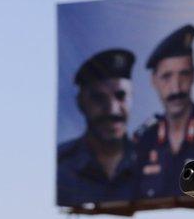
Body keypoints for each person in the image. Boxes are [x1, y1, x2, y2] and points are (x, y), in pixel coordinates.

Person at [133, 24, 194, 199]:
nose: (176, 88)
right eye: (166, 76)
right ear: (154, 80)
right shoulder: (144, 140)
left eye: (183, 74)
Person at [57, 49, 139, 207]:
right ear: (81, 103)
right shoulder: (59, 165)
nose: (112, 110)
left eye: (121, 96)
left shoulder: (153, 161)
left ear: (132, 98)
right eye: (99, 98)